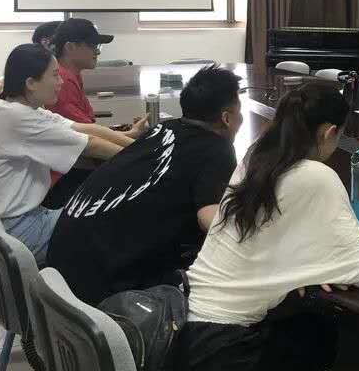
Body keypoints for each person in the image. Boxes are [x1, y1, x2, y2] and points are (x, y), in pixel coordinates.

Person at [173, 81, 359, 371]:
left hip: (185, 334)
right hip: (222, 360)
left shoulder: (256, 156)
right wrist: (317, 263)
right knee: (323, 336)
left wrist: (304, 264)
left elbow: (266, 239)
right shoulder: (317, 175)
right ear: (329, 132)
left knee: (302, 316)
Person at [46, 67, 242, 305]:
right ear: (226, 118)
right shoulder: (215, 147)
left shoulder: (162, 129)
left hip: (59, 274)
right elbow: (209, 219)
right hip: (99, 294)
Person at [0, 44, 133, 264]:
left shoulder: (14, 109)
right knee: (118, 216)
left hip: (10, 225)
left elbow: (85, 129)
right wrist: (141, 157)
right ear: (31, 83)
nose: (61, 82)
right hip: (20, 232)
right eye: (54, 75)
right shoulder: (18, 118)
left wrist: (136, 144)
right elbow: (91, 144)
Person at [46, 19, 147, 207]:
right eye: (93, 45)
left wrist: (129, 134)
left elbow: (87, 131)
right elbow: (88, 141)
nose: (98, 52)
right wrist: (140, 149)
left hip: (77, 163)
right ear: (70, 47)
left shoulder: (71, 75)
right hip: (67, 177)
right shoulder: (63, 82)